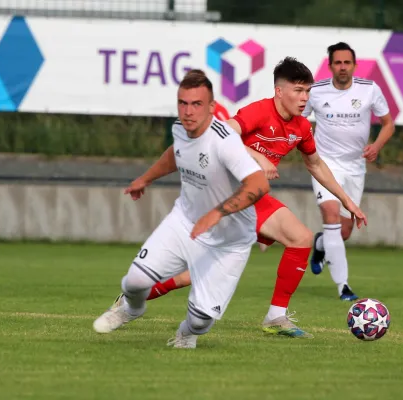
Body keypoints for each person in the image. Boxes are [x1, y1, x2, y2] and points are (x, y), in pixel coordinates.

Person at [107, 57, 368, 340]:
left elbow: (316, 165)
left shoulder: (302, 128)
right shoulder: (259, 111)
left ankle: (276, 316)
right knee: (194, 274)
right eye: (298, 91)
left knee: (301, 238)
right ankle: (129, 301)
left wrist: (347, 202)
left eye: (307, 91)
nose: (305, 98)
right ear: (279, 91)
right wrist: (259, 157)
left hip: (252, 198)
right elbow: (224, 132)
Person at [92, 69, 270, 349]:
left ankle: (186, 332)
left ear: (212, 107)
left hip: (229, 240)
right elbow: (175, 154)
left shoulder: (224, 141)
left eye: (197, 104)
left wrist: (216, 213)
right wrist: (146, 178)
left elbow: (259, 184)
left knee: (200, 320)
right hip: (185, 222)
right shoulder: (180, 129)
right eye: (183, 103)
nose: (188, 111)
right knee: (135, 281)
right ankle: (131, 309)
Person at [302, 42, 395, 301]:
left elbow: (388, 124)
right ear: (330, 65)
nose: (342, 67)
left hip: (355, 167)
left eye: (347, 62)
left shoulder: (369, 90)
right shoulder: (317, 92)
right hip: (324, 166)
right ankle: (343, 287)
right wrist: (304, 146)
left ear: (354, 65)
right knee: (331, 216)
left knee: (343, 232)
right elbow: (299, 121)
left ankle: (320, 245)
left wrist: (376, 146)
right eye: (337, 63)